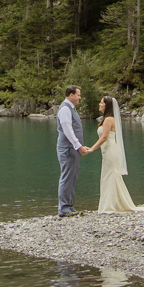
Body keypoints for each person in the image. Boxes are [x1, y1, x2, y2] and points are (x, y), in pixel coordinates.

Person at [86, 95, 138, 212]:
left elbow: (104, 137)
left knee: (110, 175)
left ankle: (110, 205)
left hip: (110, 150)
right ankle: (112, 203)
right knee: (108, 175)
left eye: (101, 103)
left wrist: (92, 149)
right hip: (107, 150)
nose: (99, 105)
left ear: (107, 105)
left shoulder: (109, 119)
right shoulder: (107, 119)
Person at [55, 85, 90, 216]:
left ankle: (69, 206)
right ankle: (63, 208)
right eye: (78, 95)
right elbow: (67, 129)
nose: (80, 97)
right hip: (68, 149)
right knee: (67, 176)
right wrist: (78, 146)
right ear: (71, 95)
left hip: (72, 148)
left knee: (73, 176)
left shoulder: (70, 108)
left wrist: (79, 146)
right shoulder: (65, 109)